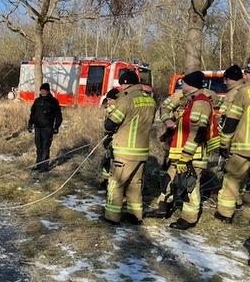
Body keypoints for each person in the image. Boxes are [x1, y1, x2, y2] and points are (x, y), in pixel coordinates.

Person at [149, 71, 218, 230]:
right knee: (169, 179)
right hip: (180, 153)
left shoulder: (200, 103)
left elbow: (197, 133)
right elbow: (167, 110)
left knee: (190, 186)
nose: (182, 86)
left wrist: (186, 157)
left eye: (184, 83)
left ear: (191, 84)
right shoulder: (190, 100)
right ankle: (162, 208)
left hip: (192, 156)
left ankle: (189, 218)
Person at [102, 71, 156, 225]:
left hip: (125, 150)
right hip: (142, 151)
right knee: (135, 185)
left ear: (125, 83)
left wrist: (110, 110)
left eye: (122, 84)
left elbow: (110, 124)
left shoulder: (126, 100)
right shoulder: (150, 100)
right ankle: (135, 216)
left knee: (116, 183)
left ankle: (111, 217)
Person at [215, 77, 250, 223]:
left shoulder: (244, 92)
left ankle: (225, 214)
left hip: (245, 146)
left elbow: (232, 120)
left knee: (232, 179)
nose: (245, 77)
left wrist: (224, 143)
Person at [27, 83, 62, 172]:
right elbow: (32, 114)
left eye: (44, 90)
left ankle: (44, 167)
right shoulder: (37, 101)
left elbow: (58, 116)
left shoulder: (53, 101)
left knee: (45, 147)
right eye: (41, 90)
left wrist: (56, 126)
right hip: (38, 127)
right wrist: (30, 124)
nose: (42, 92)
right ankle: (38, 165)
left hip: (48, 128)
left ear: (47, 91)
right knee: (38, 147)